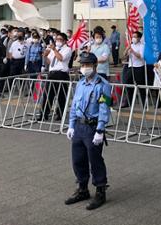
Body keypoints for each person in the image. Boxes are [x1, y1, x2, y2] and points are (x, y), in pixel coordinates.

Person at [65, 52, 111, 210]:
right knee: (78, 160)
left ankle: (100, 191)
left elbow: (104, 109)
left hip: (92, 127)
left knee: (95, 160)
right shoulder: (80, 84)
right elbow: (74, 106)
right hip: (79, 126)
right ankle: (82, 189)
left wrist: (100, 130)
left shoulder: (102, 85)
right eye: (82, 65)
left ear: (95, 66)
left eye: (87, 65)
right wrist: (71, 125)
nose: (84, 68)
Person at [41, 32, 72, 121]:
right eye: (57, 39)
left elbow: (61, 58)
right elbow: (50, 62)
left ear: (65, 41)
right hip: (52, 73)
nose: (58, 41)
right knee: (48, 94)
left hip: (61, 74)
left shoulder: (67, 49)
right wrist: (45, 56)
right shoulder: (53, 49)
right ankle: (44, 114)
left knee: (61, 95)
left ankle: (60, 114)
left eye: (60, 39)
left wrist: (54, 50)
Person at [124, 31, 146, 107]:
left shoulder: (142, 46)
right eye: (132, 36)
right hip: (131, 67)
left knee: (140, 86)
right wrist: (127, 49)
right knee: (128, 83)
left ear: (139, 38)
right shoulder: (131, 45)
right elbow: (124, 55)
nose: (133, 38)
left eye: (135, 37)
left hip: (139, 67)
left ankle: (144, 103)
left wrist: (132, 51)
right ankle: (128, 102)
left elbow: (140, 56)